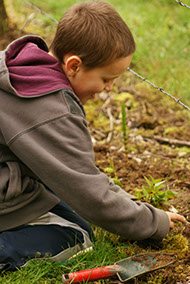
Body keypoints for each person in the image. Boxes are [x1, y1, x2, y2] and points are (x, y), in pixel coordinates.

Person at [0, 1, 186, 272]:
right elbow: (90, 195)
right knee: (76, 234)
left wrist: (134, 207)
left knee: (61, 202)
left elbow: (81, 175)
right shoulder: (53, 110)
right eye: (106, 78)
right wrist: (153, 223)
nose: (110, 88)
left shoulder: (21, 66)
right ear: (74, 65)